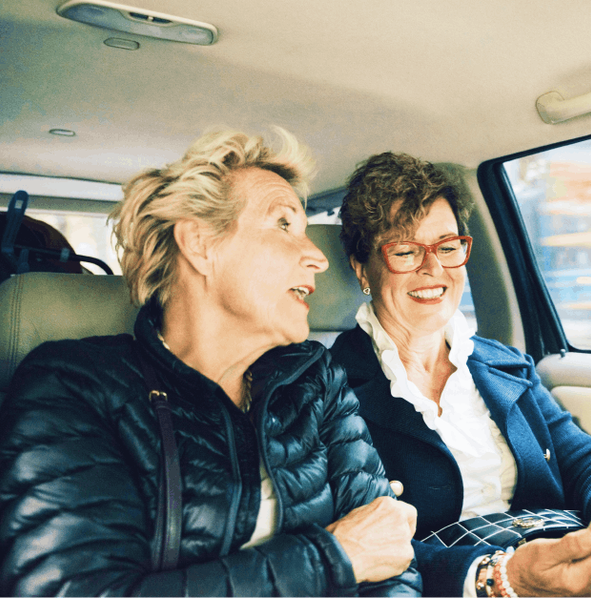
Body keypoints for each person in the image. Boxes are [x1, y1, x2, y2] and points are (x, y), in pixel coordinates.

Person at [0, 131, 421, 597]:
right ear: (200, 244)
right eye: (283, 224)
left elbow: (389, 554)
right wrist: (336, 558)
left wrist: (363, 555)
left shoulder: (315, 377)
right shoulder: (73, 385)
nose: (318, 257)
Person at [330, 152, 591, 598]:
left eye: (447, 246)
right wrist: (500, 578)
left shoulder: (505, 364)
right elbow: (358, 546)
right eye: (405, 251)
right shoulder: (326, 388)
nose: (434, 268)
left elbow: (579, 457)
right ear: (361, 266)